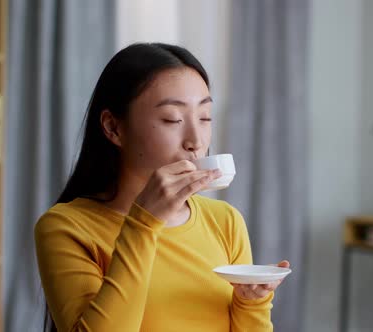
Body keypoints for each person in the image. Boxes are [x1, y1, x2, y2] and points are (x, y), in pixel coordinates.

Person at [34, 42, 290, 332]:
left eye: (205, 118)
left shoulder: (225, 221)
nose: (196, 140)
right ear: (113, 128)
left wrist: (251, 302)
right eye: (173, 119)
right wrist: (143, 223)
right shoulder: (66, 227)